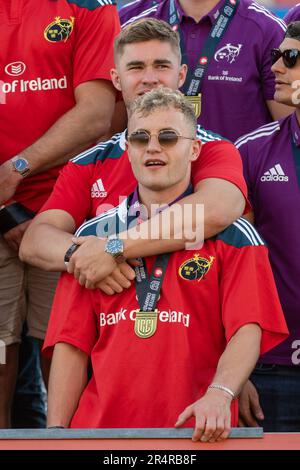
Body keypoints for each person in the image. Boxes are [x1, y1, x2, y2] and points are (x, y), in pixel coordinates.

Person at [44, 88, 288, 440]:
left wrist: (221, 394)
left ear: (194, 150)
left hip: (200, 433)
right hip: (100, 436)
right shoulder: (93, 236)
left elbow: (247, 329)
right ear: (127, 149)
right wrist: (56, 433)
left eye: (168, 137)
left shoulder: (235, 235)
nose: (153, 147)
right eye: (140, 138)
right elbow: (72, 344)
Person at [20, 18, 248, 295]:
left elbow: (217, 209)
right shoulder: (90, 161)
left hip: (190, 314)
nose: (149, 78)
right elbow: (36, 239)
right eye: (136, 67)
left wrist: (112, 249)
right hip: (105, 317)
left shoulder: (210, 148)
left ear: (181, 75)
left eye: (162, 66)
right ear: (116, 78)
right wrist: (85, 258)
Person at [0, 0, 120, 428]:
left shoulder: (88, 6)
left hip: (69, 218)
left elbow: (96, 115)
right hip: (4, 214)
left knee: (66, 348)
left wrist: (18, 169)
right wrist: (7, 213)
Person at [236, 21, 300, 431]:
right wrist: (231, 373)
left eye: (291, 58)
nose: (275, 67)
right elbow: (229, 267)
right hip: (272, 368)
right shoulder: (252, 151)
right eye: (277, 55)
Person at [119, 0, 291, 142]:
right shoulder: (127, 21)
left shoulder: (267, 29)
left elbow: (289, 132)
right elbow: (109, 128)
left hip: (238, 178)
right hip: (149, 177)